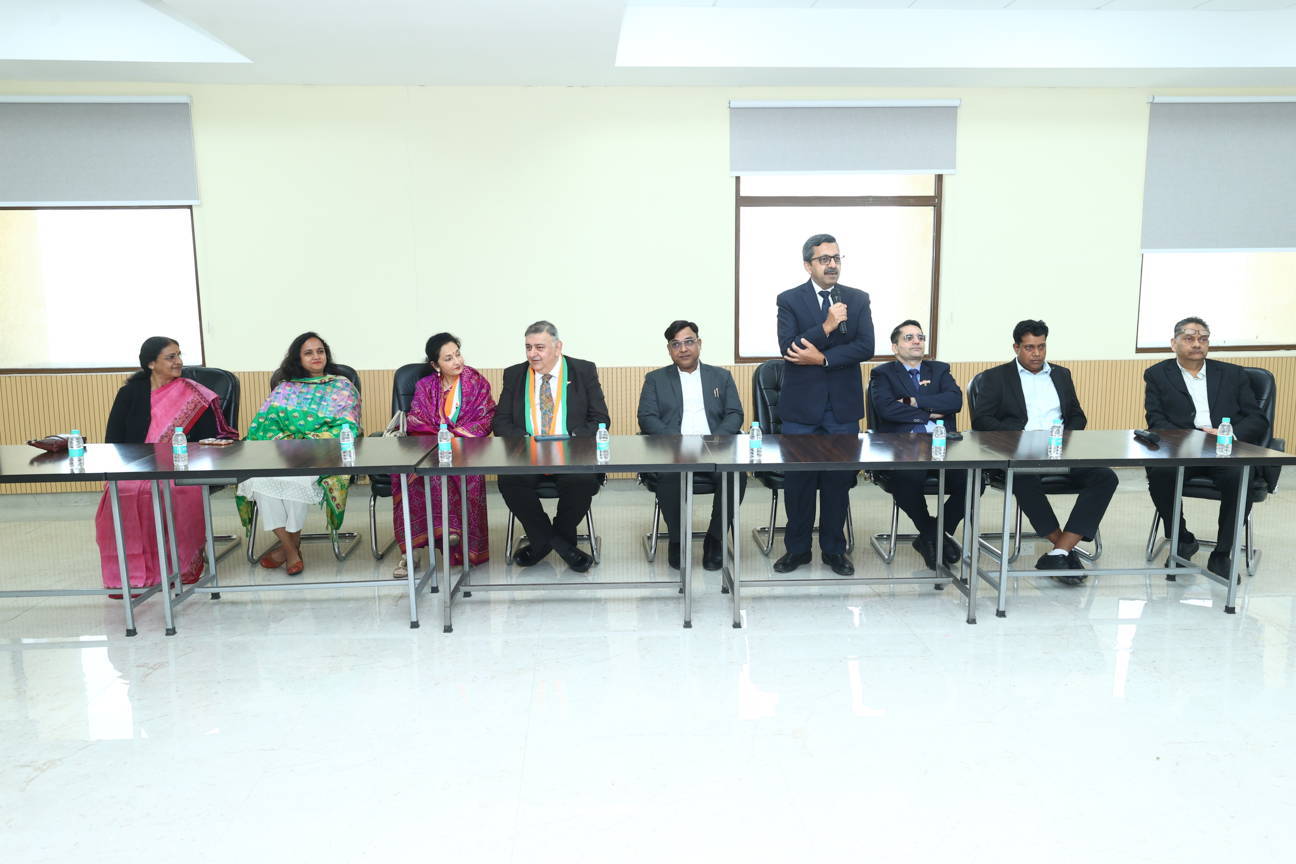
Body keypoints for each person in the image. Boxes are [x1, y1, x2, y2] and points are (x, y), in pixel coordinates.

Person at [970, 319, 1117, 584]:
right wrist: (1024, 437)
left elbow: (1077, 415)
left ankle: (1059, 552)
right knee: (1022, 477)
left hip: (1060, 451)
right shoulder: (995, 378)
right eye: (1029, 347)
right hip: (1018, 454)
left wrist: (1064, 436)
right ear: (1016, 347)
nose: (1037, 353)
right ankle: (1063, 549)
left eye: (1041, 346)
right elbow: (982, 420)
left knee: (1105, 476)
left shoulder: (1061, 375)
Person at [95, 337, 237, 593]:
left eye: (179, 355)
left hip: (181, 465)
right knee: (123, 490)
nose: (179, 362)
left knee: (175, 488)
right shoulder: (129, 394)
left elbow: (210, 438)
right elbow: (113, 440)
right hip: (136, 465)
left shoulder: (194, 394)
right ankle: (130, 574)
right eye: (171, 357)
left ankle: (178, 567)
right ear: (151, 363)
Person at [773, 233, 875, 576]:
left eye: (836, 258)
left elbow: (865, 347)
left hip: (841, 409)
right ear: (808, 265)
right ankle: (797, 550)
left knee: (837, 484)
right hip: (801, 411)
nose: (832, 264)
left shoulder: (857, 299)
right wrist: (827, 326)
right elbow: (789, 347)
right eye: (824, 259)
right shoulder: (789, 300)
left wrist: (823, 360)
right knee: (798, 486)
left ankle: (834, 550)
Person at [1143, 316, 1269, 579]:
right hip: (1182, 450)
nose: (1197, 344)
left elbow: (1257, 419)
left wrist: (1228, 434)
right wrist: (1190, 438)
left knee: (1240, 477)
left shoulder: (1233, 374)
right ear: (1174, 343)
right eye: (1189, 338)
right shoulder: (1157, 375)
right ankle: (1182, 539)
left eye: (1203, 339)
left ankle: (1222, 554)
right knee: (1160, 473)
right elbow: (1156, 420)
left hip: (1225, 449)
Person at [235, 332, 361, 576]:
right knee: (257, 480)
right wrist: (289, 444)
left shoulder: (342, 386)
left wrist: (308, 442)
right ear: (298, 358)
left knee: (297, 480)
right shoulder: (285, 388)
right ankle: (290, 547)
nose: (316, 356)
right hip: (283, 454)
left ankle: (287, 549)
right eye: (308, 353)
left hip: (322, 454)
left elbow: (348, 425)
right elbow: (264, 426)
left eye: (320, 351)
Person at [493, 320, 610, 572]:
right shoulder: (514, 374)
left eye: (540, 347)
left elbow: (600, 419)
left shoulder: (583, 371)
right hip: (528, 454)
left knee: (581, 481)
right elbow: (500, 422)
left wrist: (571, 440)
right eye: (528, 347)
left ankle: (542, 544)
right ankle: (562, 545)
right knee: (510, 481)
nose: (532, 354)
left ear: (558, 347)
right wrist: (526, 442)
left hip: (572, 453)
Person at [637, 320, 747, 571]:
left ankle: (715, 539)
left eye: (689, 342)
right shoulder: (655, 379)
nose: (683, 349)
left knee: (735, 477)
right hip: (674, 450)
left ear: (699, 343)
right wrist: (677, 443)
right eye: (676, 344)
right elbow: (647, 418)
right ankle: (677, 540)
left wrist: (714, 441)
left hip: (715, 448)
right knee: (668, 475)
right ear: (669, 350)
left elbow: (734, 414)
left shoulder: (721, 376)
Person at [390, 333, 496, 577]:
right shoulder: (425, 386)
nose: (457, 361)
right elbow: (416, 419)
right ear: (435, 365)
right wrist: (439, 436)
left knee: (451, 473)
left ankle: (455, 535)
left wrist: (454, 434)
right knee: (410, 473)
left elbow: (487, 417)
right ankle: (411, 551)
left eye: (458, 354)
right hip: (429, 446)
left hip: (466, 448)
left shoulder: (477, 383)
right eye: (448, 358)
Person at [868, 319, 971, 570]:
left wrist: (913, 401)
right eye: (909, 337)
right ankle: (932, 533)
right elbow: (887, 409)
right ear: (895, 347)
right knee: (906, 479)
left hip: (943, 446)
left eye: (920, 337)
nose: (917, 341)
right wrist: (928, 413)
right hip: (904, 445)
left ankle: (931, 535)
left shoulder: (939, 370)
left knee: (972, 480)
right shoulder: (882, 374)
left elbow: (954, 401)